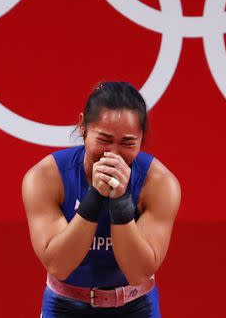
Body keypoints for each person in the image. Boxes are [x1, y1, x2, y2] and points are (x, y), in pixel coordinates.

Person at [22, 81, 181, 317]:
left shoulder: (159, 183)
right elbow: (59, 266)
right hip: (65, 306)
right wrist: (95, 197)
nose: (113, 154)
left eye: (128, 143)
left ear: (141, 139)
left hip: (136, 307)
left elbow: (138, 273)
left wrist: (121, 202)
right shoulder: (45, 177)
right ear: (83, 127)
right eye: (104, 140)